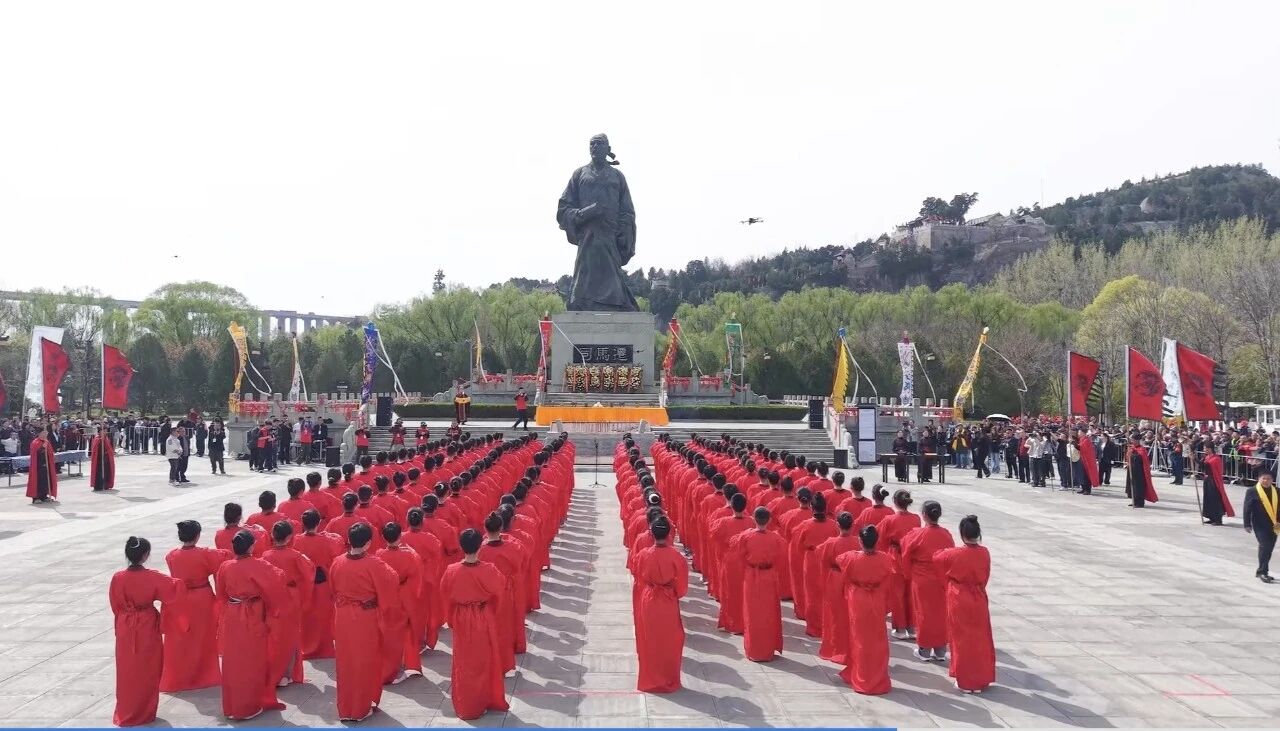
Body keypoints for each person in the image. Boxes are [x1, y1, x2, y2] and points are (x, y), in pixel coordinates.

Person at [330, 522, 403, 722]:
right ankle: (360, 707)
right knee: (364, 660)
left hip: (342, 616)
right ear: (369, 543)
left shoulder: (337, 562)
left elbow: (333, 588)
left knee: (346, 661)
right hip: (364, 617)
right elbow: (392, 580)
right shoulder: (374, 564)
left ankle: (346, 707)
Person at [215, 530, 290, 721]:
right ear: (251, 546)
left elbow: (221, 594)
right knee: (252, 659)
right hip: (253, 614)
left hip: (233, 614)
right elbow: (279, 579)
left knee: (234, 660)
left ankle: (234, 705)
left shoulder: (225, 566)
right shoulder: (258, 564)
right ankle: (248, 705)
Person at [110, 537, 185, 727]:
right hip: (145, 625)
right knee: (148, 668)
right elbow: (175, 588)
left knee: (127, 670)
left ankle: (126, 709)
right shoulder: (152, 577)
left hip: (125, 625)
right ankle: (143, 711)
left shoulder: (118, 577)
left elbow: (115, 605)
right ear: (145, 555)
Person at [441, 528, 509, 721]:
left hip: (461, 617)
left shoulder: (451, 570)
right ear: (480, 546)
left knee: (463, 661)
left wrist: (451, 619)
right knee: (483, 660)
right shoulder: (489, 570)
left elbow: (445, 596)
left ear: (461, 546)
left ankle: (466, 703)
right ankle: (481, 700)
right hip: (482, 615)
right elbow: (499, 592)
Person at [160, 521, 230, 692]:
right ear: (197, 536)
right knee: (204, 638)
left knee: (183, 640)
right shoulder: (204, 554)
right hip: (202, 598)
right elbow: (225, 556)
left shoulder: (171, 556)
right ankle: (204, 674)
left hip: (181, 600)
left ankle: (183, 675)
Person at [934, 515, 996, 693]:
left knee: (961, 639)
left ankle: (966, 680)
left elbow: (937, 558)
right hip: (978, 597)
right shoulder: (984, 552)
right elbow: (985, 575)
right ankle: (980, 677)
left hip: (959, 597)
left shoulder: (955, 553)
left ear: (962, 534)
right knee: (980, 638)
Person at [631, 515, 689, 693]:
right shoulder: (676, 556)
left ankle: (651, 678)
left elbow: (637, 575)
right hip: (668, 599)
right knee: (670, 640)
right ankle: (667, 677)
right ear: (669, 534)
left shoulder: (643, 554)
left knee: (650, 640)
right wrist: (672, 592)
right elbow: (682, 587)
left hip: (649, 598)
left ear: (652, 533)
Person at [838, 525, 892, 695]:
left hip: (858, 599)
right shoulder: (885, 558)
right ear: (877, 541)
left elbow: (839, 560)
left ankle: (860, 675)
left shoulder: (851, 557)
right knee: (877, 639)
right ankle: (877, 677)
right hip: (877, 599)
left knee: (859, 639)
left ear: (860, 541)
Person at [900, 500, 955, 662]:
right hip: (940, 579)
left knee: (923, 613)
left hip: (922, 579)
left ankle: (924, 648)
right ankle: (940, 649)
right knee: (940, 613)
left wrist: (907, 574)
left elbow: (905, 553)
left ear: (924, 515)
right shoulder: (946, 534)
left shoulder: (917, 534)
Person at [262, 521, 315, 687]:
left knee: (275, 635)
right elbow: (309, 573)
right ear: (289, 537)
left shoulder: (265, 555)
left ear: (273, 535)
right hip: (291, 596)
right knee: (291, 634)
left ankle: (276, 671)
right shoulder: (295, 555)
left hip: (273, 596)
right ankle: (287, 673)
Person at [731, 506, 786, 661]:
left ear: (754, 519)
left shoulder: (745, 536)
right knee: (768, 613)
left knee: (752, 613)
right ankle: (767, 649)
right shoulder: (776, 538)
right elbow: (781, 556)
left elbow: (738, 553)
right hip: (769, 576)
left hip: (752, 576)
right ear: (769, 520)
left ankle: (753, 649)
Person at [375, 522, 424, 684]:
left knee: (387, 631)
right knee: (407, 629)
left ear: (383, 537)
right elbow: (417, 578)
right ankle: (407, 663)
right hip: (404, 594)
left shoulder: (379, 554)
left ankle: (390, 664)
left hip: (387, 595)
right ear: (400, 536)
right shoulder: (410, 555)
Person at [876, 489, 921, 639]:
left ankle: (900, 628)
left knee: (897, 595)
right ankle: (912, 627)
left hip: (895, 558)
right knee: (910, 595)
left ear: (895, 502)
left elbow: (880, 539)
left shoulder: (889, 520)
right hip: (911, 559)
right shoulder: (916, 518)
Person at [816, 511, 860, 664]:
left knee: (834, 614)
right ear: (852, 525)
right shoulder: (858, 541)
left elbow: (820, 555)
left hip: (835, 578)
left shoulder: (831, 542)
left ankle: (834, 648)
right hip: (852, 579)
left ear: (837, 525)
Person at [1243, 472, 1280, 583]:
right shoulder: (1252, 491)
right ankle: (1262, 572)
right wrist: (1247, 524)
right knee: (1265, 546)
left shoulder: (1277, 491)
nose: (1266, 481)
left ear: (1272, 480)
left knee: (1269, 548)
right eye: (1264, 478)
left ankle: (1263, 570)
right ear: (1259, 479)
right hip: (1260, 524)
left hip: (1275, 524)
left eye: (1268, 479)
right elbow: (1247, 508)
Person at [1200, 442, 1235, 526]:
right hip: (1207, 480)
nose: (1204, 450)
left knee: (1215, 499)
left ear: (1210, 449)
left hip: (1214, 481)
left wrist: (1196, 460)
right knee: (1208, 499)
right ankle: (1211, 517)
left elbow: (1208, 466)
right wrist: (1195, 459)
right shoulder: (1207, 457)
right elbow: (1203, 467)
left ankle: (1218, 519)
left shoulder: (1216, 458)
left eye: (1205, 448)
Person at [26, 424, 57, 503]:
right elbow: (36, 454)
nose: (46, 434)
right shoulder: (35, 442)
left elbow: (50, 453)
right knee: (38, 481)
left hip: (47, 465)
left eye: (46, 432)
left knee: (46, 480)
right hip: (38, 466)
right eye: (44, 432)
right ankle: (36, 497)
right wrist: (42, 447)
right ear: (39, 433)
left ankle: (44, 496)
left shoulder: (47, 442)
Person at [1127, 438, 1159, 508]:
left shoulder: (1142, 449)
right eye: (1132, 440)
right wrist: (1130, 453)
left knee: (1139, 487)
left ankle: (1140, 503)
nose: (1133, 442)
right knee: (1133, 486)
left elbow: (1144, 461)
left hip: (1140, 472)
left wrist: (1135, 454)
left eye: (1134, 440)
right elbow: (1129, 457)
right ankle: (1134, 501)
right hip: (1132, 471)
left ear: (1137, 441)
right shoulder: (1132, 448)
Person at [89, 423, 116, 492]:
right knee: (99, 472)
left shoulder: (106, 438)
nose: (105, 432)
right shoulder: (97, 438)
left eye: (106, 430)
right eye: (104, 430)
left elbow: (109, 448)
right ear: (100, 431)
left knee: (106, 471)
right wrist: (101, 440)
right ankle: (98, 486)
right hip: (99, 459)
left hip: (105, 458)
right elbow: (95, 449)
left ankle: (105, 485)